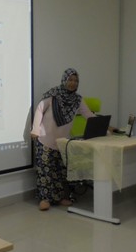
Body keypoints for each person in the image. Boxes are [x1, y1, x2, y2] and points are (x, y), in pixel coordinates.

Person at [31, 68, 95, 211]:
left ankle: (60, 197)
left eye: (76, 80)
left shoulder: (77, 100)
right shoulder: (53, 95)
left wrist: (107, 127)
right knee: (45, 172)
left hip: (62, 142)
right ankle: (44, 199)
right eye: (70, 80)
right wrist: (35, 129)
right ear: (64, 80)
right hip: (45, 140)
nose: (73, 83)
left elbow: (89, 115)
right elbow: (40, 109)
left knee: (60, 172)